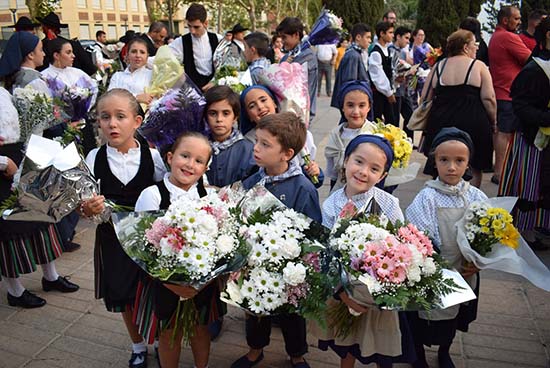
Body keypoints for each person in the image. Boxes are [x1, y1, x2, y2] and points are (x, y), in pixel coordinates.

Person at [81, 89, 166, 368]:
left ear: (137, 121)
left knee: (152, 291)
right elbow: (83, 204)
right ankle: (138, 345)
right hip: (113, 239)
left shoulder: (153, 158)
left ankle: (157, 339)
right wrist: (88, 208)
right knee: (124, 296)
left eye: (120, 117)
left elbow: (167, 193)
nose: (112, 124)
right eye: (105, 117)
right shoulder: (94, 158)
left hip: (148, 239)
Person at [231, 112, 321, 368]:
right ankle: (255, 349)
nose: (256, 148)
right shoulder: (255, 179)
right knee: (254, 307)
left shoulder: (302, 188)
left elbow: (312, 232)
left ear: (287, 154)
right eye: (257, 141)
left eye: (265, 144)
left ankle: (297, 353)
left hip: (289, 268)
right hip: (257, 263)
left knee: (292, 314)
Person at [317, 134, 415, 368]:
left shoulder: (389, 203)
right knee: (347, 342)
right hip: (346, 290)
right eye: (358, 161)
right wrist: (342, 294)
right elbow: (326, 253)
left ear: (382, 176)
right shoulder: (332, 204)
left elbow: (401, 245)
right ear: (346, 160)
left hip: (381, 290)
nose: (363, 171)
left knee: (381, 344)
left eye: (374, 168)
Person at [134, 132, 218, 368]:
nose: (190, 164)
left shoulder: (210, 197)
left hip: (202, 284)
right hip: (164, 283)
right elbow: (141, 246)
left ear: (205, 168)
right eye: (185, 156)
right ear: (170, 157)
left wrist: (204, 281)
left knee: (200, 329)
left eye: (199, 161)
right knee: (169, 332)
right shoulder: (151, 195)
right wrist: (170, 283)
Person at [406, 127, 486, 368]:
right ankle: (417, 353)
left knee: (455, 314)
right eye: (444, 160)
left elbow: (488, 232)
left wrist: (478, 260)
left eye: (459, 161)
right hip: (433, 271)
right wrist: (434, 260)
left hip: (464, 270)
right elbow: (419, 232)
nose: (451, 167)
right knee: (422, 314)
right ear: (434, 162)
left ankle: (444, 351)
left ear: (468, 163)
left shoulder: (476, 197)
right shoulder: (427, 197)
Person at [0, 86, 79, 309]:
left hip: (17, 157)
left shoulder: (4, 91)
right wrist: (4, 162)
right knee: (9, 227)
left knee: (38, 214)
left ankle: (50, 277)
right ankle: (15, 291)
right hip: (4, 165)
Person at [421, 29, 497, 188]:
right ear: (465, 47)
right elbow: (489, 99)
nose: (477, 47)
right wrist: (493, 121)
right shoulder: (479, 66)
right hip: (474, 122)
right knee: (474, 166)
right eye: (474, 44)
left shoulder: (438, 66)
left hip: (441, 122)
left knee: (441, 164)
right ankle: (472, 205)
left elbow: (424, 98)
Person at [500, 16, 550, 250]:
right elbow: (520, 103)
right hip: (534, 138)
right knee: (530, 184)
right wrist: (544, 118)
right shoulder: (536, 67)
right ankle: (526, 231)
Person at [239, 85, 322, 187]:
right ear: (248, 116)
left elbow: (307, 170)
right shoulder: (246, 144)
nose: (260, 107)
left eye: (263, 100)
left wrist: (314, 172)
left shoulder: (299, 133)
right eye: (252, 106)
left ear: (274, 102)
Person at [488, 6, 531, 185]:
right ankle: (500, 171)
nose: (519, 21)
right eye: (516, 18)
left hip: (500, 91)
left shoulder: (496, 36)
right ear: (505, 20)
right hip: (508, 92)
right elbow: (529, 58)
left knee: (501, 133)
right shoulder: (508, 37)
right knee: (504, 134)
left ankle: (500, 169)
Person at [325, 80, 375, 192]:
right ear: (342, 107)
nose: (356, 111)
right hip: (340, 191)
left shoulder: (374, 134)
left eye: (362, 105)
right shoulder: (335, 135)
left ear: (369, 107)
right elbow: (332, 174)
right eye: (350, 105)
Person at [204, 85, 255, 187]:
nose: (219, 119)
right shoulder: (198, 146)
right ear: (205, 117)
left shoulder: (248, 150)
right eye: (213, 113)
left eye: (226, 113)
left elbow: (252, 183)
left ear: (235, 117)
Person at [169, 3, 220, 89]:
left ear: (206, 23)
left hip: (216, 92)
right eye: (189, 26)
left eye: (196, 27)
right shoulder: (180, 42)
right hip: (192, 93)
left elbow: (227, 66)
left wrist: (215, 81)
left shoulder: (218, 39)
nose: (192, 31)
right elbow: (163, 58)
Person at [277, 17, 318, 122]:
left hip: (301, 115)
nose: (282, 41)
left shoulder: (307, 57)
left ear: (296, 35)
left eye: (284, 37)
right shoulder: (288, 56)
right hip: (287, 113)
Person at [331, 24, 372, 108]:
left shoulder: (356, 53)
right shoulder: (353, 55)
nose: (370, 40)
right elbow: (350, 83)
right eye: (367, 37)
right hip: (352, 104)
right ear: (358, 37)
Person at [108, 38, 154, 107]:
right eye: (134, 51)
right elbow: (111, 98)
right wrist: (136, 97)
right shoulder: (118, 76)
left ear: (147, 56)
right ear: (127, 55)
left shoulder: (152, 75)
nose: (138, 55)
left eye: (142, 52)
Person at [369, 21, 398, 125]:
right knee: (377, 120)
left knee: (391, 120)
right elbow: (378, 76)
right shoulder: (376, 52)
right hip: (379, 93)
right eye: (390, 33)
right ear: (382, 34)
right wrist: (388, 92)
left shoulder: (387, 50)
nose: (392, 35)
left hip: (386, 92)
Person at [390, 26, 415, 139]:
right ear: (398, 37)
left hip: (404, 90)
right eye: (406, 38)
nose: (407, 41)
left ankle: (406, 139)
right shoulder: (391, 51)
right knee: (394, 119)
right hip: (395, 91)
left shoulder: (403, 53)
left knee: (411, 115)